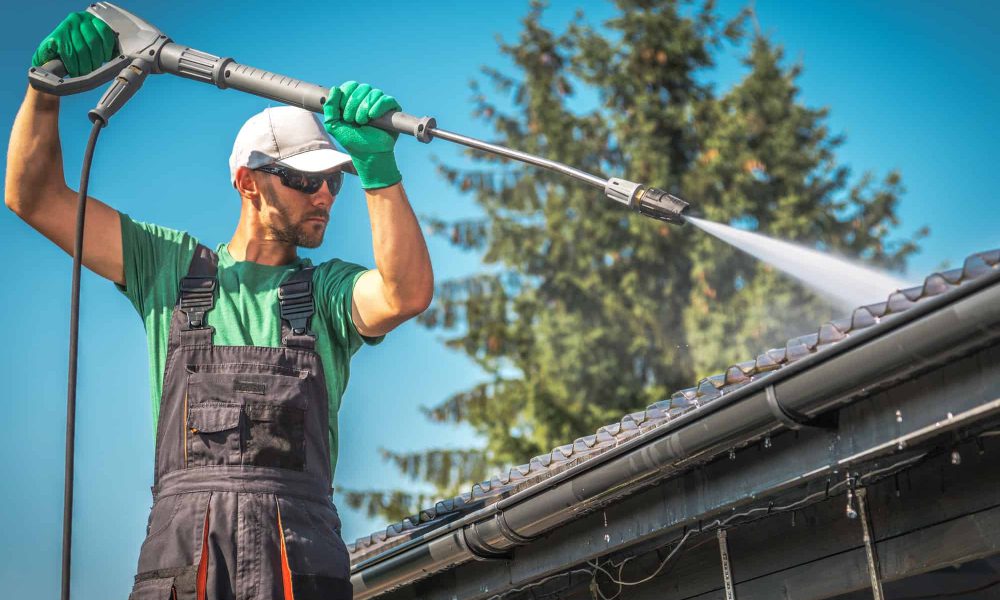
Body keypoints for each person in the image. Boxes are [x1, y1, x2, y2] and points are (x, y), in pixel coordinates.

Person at [6, 11, 433, 600]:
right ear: (248, 181)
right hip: (186, 553)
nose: (327, 195)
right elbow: (34, 197)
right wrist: (44, 88)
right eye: (306, 181)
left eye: (335, 181)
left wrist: (379, 170)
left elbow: (403, 294)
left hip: (298, 554)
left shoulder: (329, 293)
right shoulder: (169, 268)